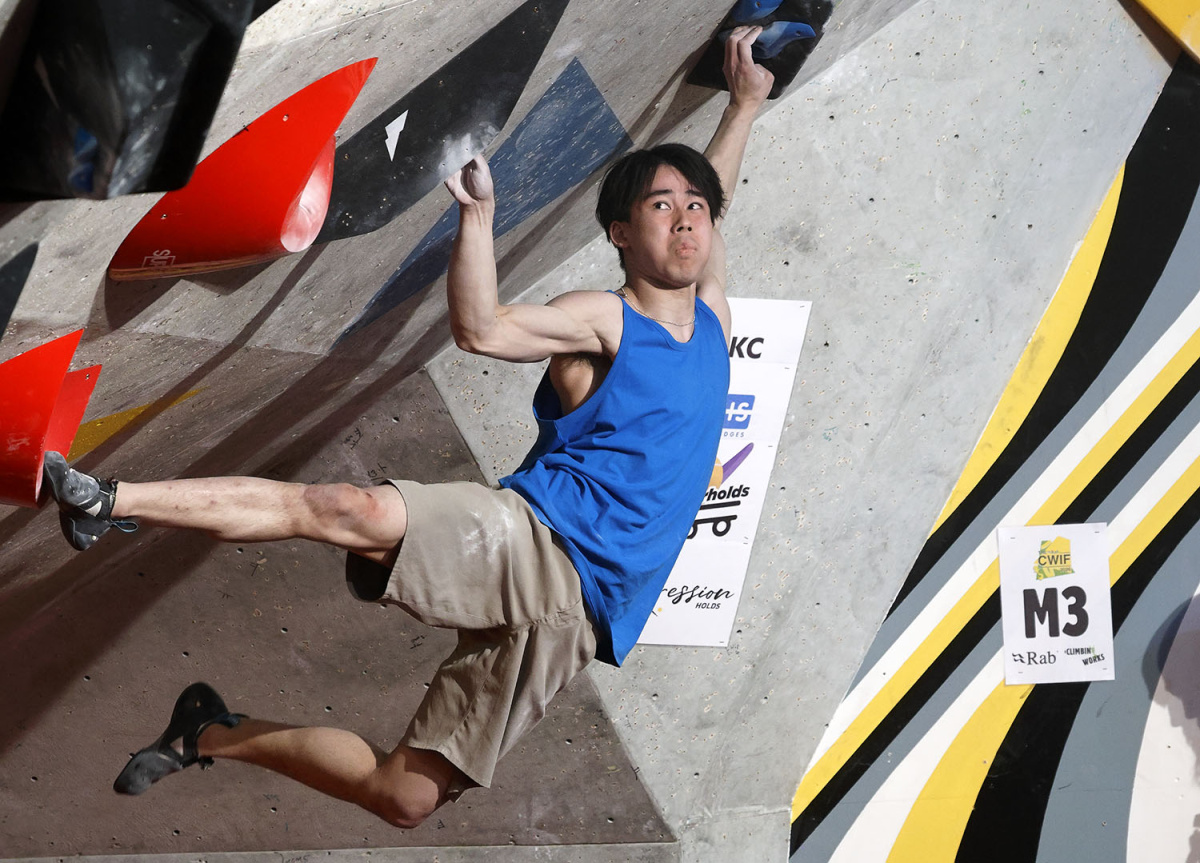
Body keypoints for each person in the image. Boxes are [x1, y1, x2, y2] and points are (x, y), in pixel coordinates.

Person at [40, 27, 774, 829]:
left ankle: (208, 731)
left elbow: (717, 189)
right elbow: (482, 329)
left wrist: (743, 105)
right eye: (661, 206)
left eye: (695, 209)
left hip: (577, 621)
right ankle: (111, 500)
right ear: (622, 234)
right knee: (343, 507)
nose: (686, 220)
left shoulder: (712, 317)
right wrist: (478, 218)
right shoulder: (605, 320)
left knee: (404, 798)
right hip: (535, 542)